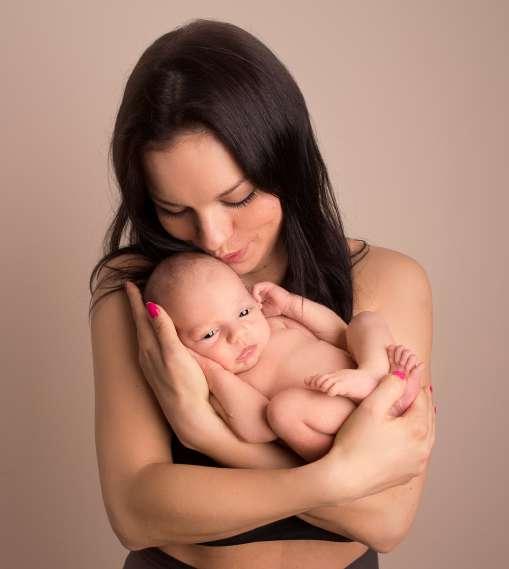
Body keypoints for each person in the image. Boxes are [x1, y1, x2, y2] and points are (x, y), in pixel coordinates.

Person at [89, 18, 435, 569]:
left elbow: (387, 519)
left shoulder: (385, 278)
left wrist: (211, 438)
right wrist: (335, 478)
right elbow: (134, 514)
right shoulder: (138, 292)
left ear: (286, 161)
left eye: (239, 197)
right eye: (175, 210)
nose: (212, 238)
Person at [142, 251, 424, 462]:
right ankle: (331, 457)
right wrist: (210, 371)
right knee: (282, 411)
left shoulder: (276, 323)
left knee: (364, 322)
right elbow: (257, 430)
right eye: (209, 335)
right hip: (346, 426)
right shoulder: (227, 382)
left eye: (242, 313)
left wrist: (292, 304)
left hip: (376, 380)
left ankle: (373, 375)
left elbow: (335, 333)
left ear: (254, 301)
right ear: (181, 347)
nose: (238, 335)